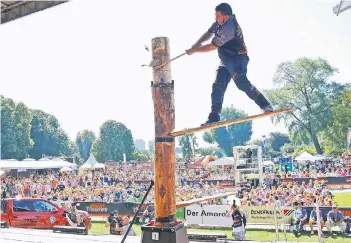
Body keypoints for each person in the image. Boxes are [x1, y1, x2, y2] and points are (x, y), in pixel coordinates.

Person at [186, 3, 273, 125]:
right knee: (218, 86)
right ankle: (214, 117)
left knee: (241, 83)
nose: (216, 18)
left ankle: (266, 105)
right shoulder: (219, 23)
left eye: (218, 16)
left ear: (225, 17)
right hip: (225, 61)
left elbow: (212, 46)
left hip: (238, 58)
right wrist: (196, 44)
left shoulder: (230, 27)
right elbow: (209, 33)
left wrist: (194, 51)